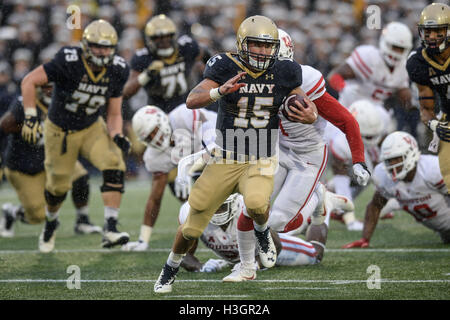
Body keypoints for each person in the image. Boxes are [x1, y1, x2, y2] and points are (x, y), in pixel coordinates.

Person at [154, 15, 320, 294]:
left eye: (268, 46)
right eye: (256, 45)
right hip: (226, 156)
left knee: (256, 203)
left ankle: (263, 233)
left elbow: (306, 105)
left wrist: (310, 115)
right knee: (192, 227)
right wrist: (220, 91)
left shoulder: (286, 70)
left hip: (262, 155)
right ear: (243, 44)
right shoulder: (223, 65)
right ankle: (170, 267)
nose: (263, 51)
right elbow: (192, 100)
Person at [218, 28, 370, 282]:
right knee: (251, 209)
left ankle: (319, 199)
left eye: (272, 58)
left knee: (276, 222)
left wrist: (358, 160)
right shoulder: (250, 77)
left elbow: (346, 121)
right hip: (275, 149)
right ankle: (246, 267)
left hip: (307, 156)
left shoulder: (307, 81)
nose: (265, 64)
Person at [20, 19, 131, 252]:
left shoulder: (119, 68)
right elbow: (29, 81)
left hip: (92, 127)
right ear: (85, 45)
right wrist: (30, 116)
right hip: (60, 130)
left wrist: (117, 133)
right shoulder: (69, 60)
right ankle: (51, 222)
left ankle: (110, 228)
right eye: (97, 46)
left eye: (107, 47)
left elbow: (113, 112)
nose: (102, 52)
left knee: (114, 163)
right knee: (58, 186)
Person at [0, 84, 101, 237]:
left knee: (80, 177)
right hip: (24, 167)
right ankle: (12, 212)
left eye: (54, 85)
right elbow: (4, 126)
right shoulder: (26, 103)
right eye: (47, 87)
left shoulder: (66, 103)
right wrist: (24, 127)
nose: (51, 90)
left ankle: (82, 221)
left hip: (53, 158)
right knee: (38, 216)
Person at [178, 191, 354, 273]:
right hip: (245, 251)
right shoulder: (191, 214)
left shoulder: (246, 209)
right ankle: (302, 224)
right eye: (212, 205)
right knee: (287, 226)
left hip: (265, 246)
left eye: (222, 205)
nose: (217, 211)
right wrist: (200, 267)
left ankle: (324, 203)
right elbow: (182, 254)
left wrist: (254, 264)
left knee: (315, 255)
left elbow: (275, 245)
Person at [121, 103, 217, 251]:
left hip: (228, 143)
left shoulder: (183, 116)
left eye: (154, 132)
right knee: (192, 205)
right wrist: (143, 240)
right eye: (148, 138)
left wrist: (188, 170)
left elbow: (214, 147)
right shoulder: (154, 156)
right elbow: (155, 198)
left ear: (162, 120)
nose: (154, 139)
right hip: (202, 166)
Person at [343, 131, 450, 248]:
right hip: (443, 231)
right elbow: (375, 205)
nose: (392, 164)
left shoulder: (433, 169)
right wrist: (365, 238)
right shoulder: (384, 176)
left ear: (411, 154)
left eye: (397, 159)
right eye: (389, 160)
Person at [327, 21, 413, 137]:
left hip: (376, 110)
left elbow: (404, 94)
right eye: (395, 47)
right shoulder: (368, 56)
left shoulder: (403, 69)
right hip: (350, 106)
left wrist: (409, 100)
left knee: (388, 126)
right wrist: (343, 89)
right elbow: (334, 76)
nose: (397, 52)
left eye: (401, 49)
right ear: (385, 43)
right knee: (332, 140)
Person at [123, 14, 212, 113]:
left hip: (187, 106)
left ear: (174, 36)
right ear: (149, 40)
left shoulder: (185, 46)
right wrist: (147, 75)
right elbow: (126, 92)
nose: (164, 41)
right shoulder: (143, 57)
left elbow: (207, 55)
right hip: (158, 111)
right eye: (158, 38)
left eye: (167, 36)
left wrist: (209, 77)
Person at [406, 2, 450, 196]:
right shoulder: (418, 62)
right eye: (428, 32)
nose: (432, 37)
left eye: (438, 31)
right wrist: (434, 125)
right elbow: (426, 107)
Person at [327, 99, 384, 230]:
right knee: (314, 185)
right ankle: (344, 214)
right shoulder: (341, 141)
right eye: (368, 136)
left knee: (366, 175)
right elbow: (341, 178)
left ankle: (336, 207)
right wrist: (350, 219)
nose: (372, 139)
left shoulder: (380, 116)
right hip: (318, 149)